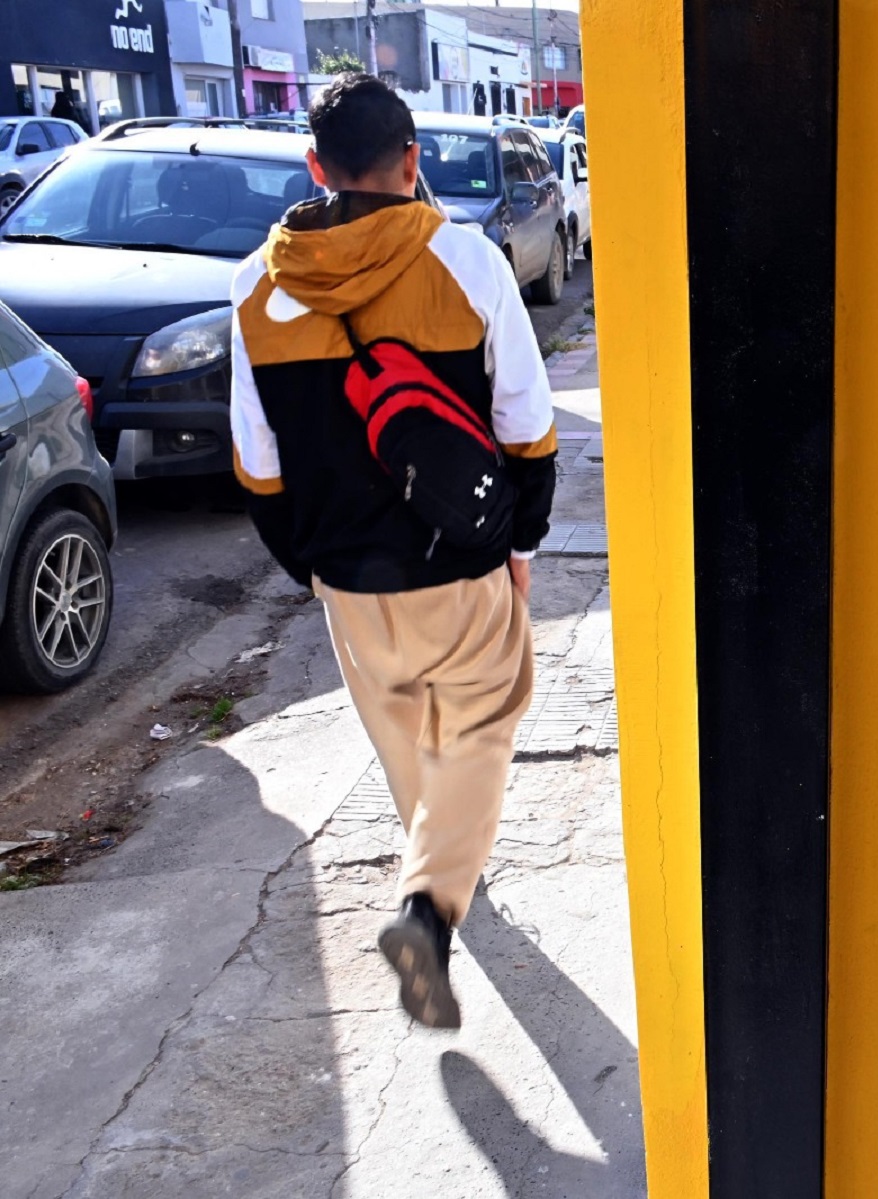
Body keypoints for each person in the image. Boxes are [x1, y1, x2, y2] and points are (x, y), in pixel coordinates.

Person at [228, 74, 557, 1029]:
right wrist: (521, 540)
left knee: (406, 736)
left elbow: (257, 464)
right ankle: (430, 907)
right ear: (411, 160)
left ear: (315, 166)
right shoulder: (465, 261)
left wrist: (316, 567)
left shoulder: (256, 286)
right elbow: (528, 424)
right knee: (483, 721)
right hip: (456, 563)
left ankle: (437, 869)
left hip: (347, 578)